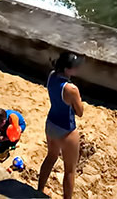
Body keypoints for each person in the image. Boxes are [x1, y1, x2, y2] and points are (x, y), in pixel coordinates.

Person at [36, 52, 83, 199]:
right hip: (66, 130)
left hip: (51, 124)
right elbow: (80, 112)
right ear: (68, 70)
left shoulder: (51, 76)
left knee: (51, 157)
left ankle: (39, 189)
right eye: (75, 67)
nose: (78, 69)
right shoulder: (71, 89)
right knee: (70, 170)